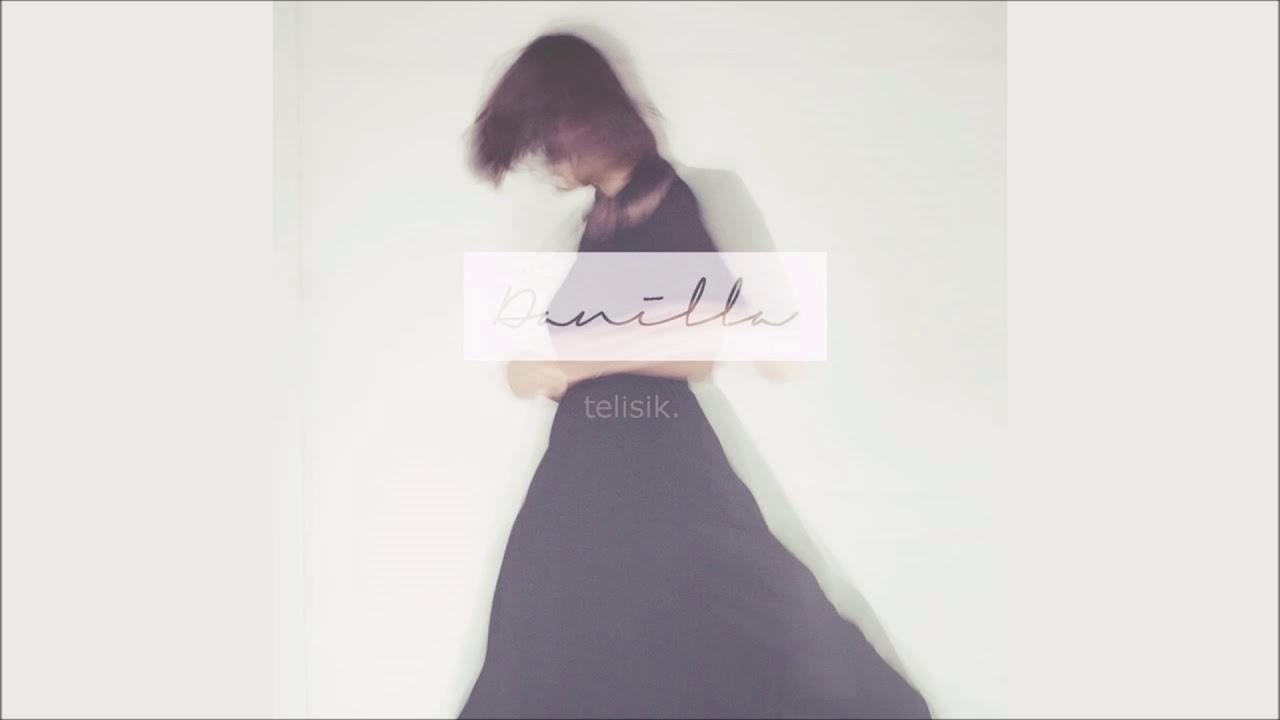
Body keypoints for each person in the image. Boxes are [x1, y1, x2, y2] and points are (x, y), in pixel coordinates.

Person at [458, 32, 931, 719]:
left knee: (710, 639)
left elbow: (727, 350)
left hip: (660, 471)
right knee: (559, 650)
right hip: (580, 476)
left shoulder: (683, 200)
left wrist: (581, 360)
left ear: (583, 117)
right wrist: (527, 370)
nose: (547, 162)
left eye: (549, 140)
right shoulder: (588, 227)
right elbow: (562, 355)